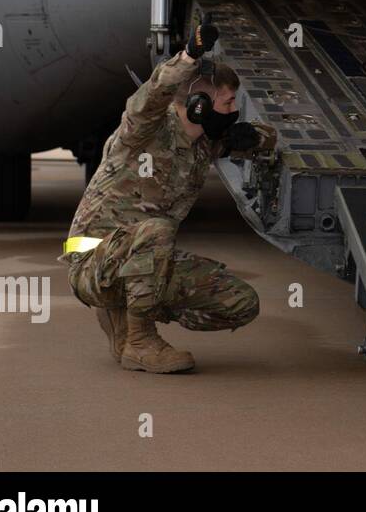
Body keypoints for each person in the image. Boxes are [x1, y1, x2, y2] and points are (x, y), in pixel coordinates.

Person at [59, 23, 276, 373]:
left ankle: (125, 319)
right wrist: (190, 55)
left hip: (140, 262)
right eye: (228, 101)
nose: (234, 108)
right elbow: (152, 94)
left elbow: (267, 141)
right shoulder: (144, 130)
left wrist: (252, 137)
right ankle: (142, 341)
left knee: (241, 302)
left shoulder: (204, 143)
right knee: (157, 230)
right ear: (199, 105)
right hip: (91, 260)